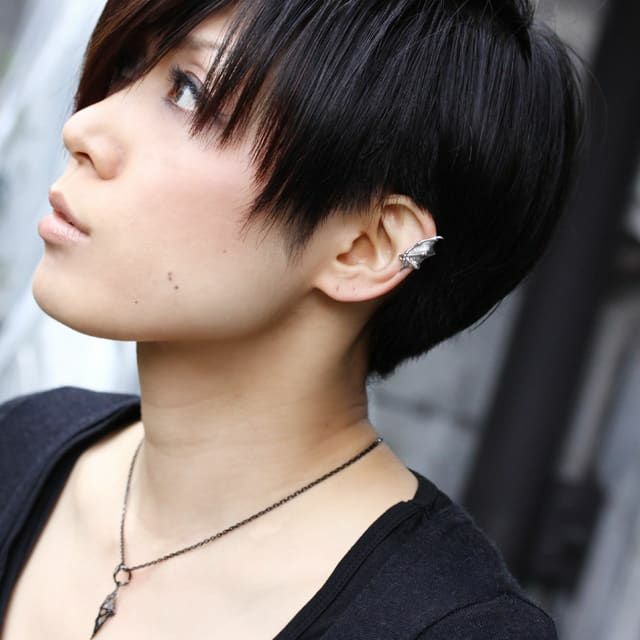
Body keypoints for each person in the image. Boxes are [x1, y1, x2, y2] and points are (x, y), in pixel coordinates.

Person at [0, 0, 584, 638]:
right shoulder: (20, 447)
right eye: (127, 66)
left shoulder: (445, 628)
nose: (83, 127)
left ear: (366, 248)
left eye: (189, 92)